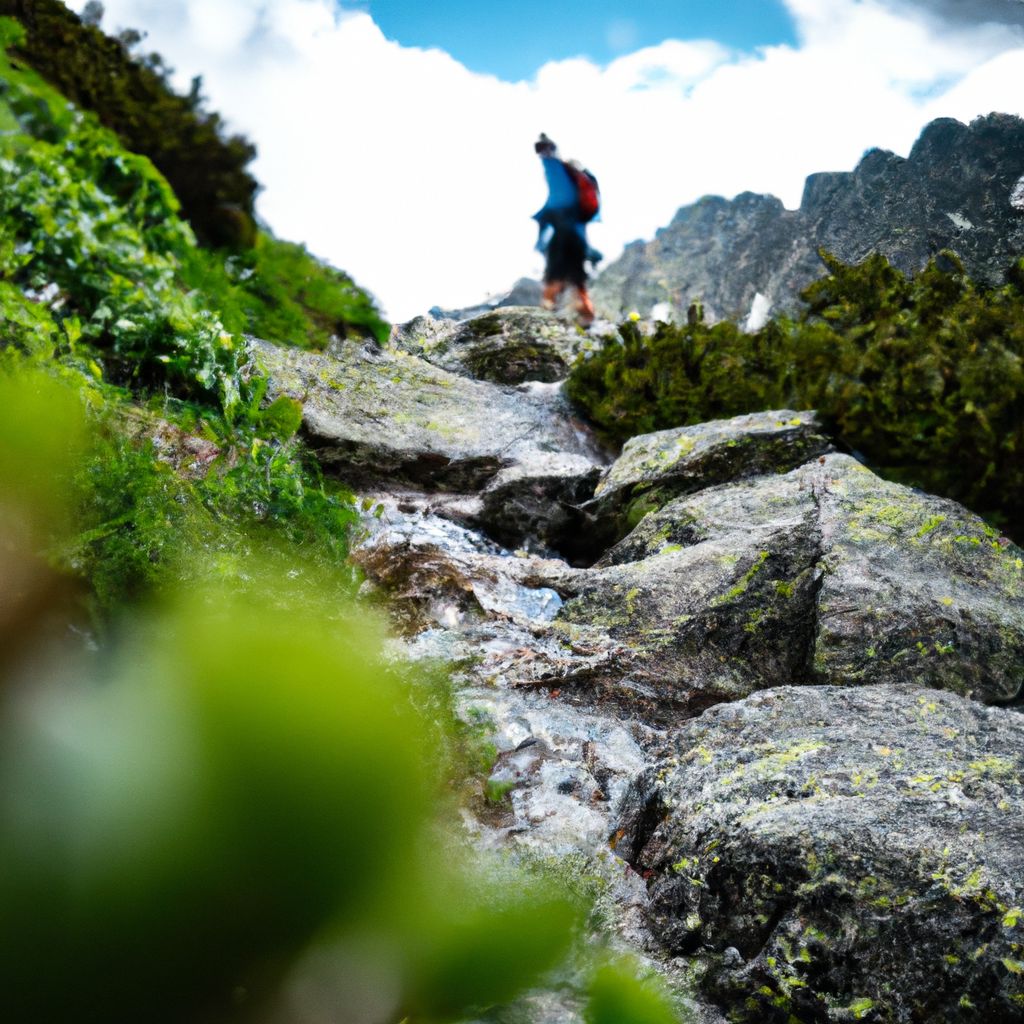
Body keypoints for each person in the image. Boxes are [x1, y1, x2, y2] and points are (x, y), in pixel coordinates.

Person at [532, 133, 600, 326]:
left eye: (542, 150)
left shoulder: (555, 171)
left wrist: (547, 152)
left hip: (563, 237)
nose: (541, 154)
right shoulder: (575, 185)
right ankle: (590, 322)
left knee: (553, 279)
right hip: (577, 240)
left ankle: (545, 322)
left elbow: (557, 202)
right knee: (578, 283)